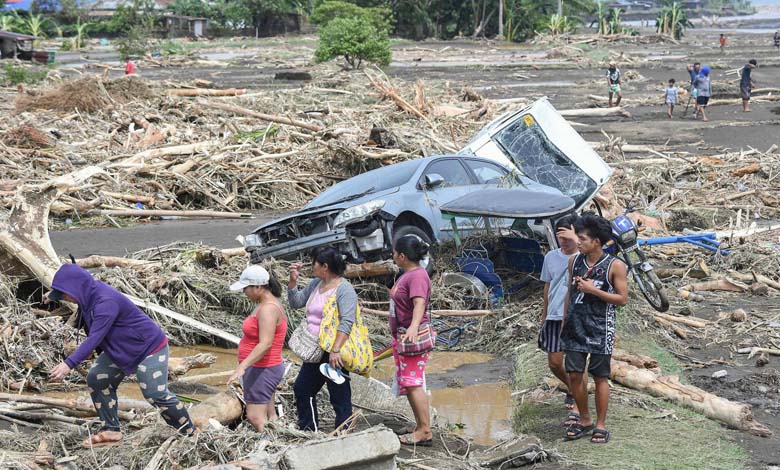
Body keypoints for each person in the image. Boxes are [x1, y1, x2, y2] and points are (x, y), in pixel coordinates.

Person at [46, 264, 194, 447]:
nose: (64, 298)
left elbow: (94, 339)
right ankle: (111, 430)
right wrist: (53, 294)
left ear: (77, 288)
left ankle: (190, 434)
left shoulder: (105, 302)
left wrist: (68, 364)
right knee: (98, 378)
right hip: (121, 348)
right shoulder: (87, 295)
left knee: (155, 393)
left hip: (149, 347)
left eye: (64, 294)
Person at [560, 215, 628, 444]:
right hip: (575, 325)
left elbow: (622, 299)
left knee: (600, 376)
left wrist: (593, 290)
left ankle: (601, 424)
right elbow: (570, 293)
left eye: (582, 238)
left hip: (600, 327)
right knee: (575, 374)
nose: (577, 242)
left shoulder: (615, 265)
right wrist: (563, 320)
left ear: (596, 241)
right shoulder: (575, 262)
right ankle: (585, 419)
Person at [288, 247, 357, 432]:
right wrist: (293, 282)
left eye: (314, 263)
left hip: (334, 350)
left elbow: (347, 321)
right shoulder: (316, 284)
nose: (312, 267)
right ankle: (309, 430)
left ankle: (344, 431)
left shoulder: (344, 290)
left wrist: (335, 350)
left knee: (339, 395)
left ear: (325, 266)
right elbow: (296, 302)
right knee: (303, 389)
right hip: (315, 349)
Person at [227, 265, 287, 432]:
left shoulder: (268, 309)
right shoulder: (265, 304)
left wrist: (242, 367)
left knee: (255, 416)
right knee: (270, 415)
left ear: (258, 287)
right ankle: (276, 443)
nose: (244, 292)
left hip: (264, 368)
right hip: (262, 367)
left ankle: (270, 450)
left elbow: (266, 343)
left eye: (246, 288)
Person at [390, 235, 434, 447]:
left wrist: (414, 326)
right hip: (403, 336)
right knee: (409, 383)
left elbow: (419, 303)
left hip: (412, 337)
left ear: (403, 256)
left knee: (413, 383)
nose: (393, 256)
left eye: (395, 253)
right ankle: (419, 425)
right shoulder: (407, 274)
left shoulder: (416, 276)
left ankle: (424, 430)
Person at [538, 215, 581, 426]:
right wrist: (544, 314)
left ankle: (577, 405)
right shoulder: (551, 257)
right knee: (554, 363)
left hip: (576, 317)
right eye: (559, 236)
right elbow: (548, 286)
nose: (563, 240)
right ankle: (574, 390)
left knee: (575, 364)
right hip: (554, 315)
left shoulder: (585, 257)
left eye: (567, 236)